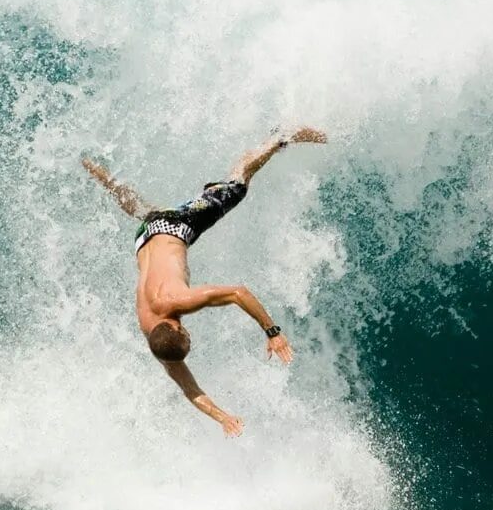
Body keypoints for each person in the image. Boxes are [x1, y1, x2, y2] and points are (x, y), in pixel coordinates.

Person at [82, 128, 327, 436]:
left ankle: (279, 138)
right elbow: (190, 390)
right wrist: (222, 417)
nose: (186, 330)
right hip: (145, 235)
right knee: (142, 209)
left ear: (173, 325)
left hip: (176, 227)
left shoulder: (174, 302)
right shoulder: (157, 340)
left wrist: (272, 332)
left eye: (184, 331)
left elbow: (239, 293)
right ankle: (101, 175)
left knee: (237, 186)